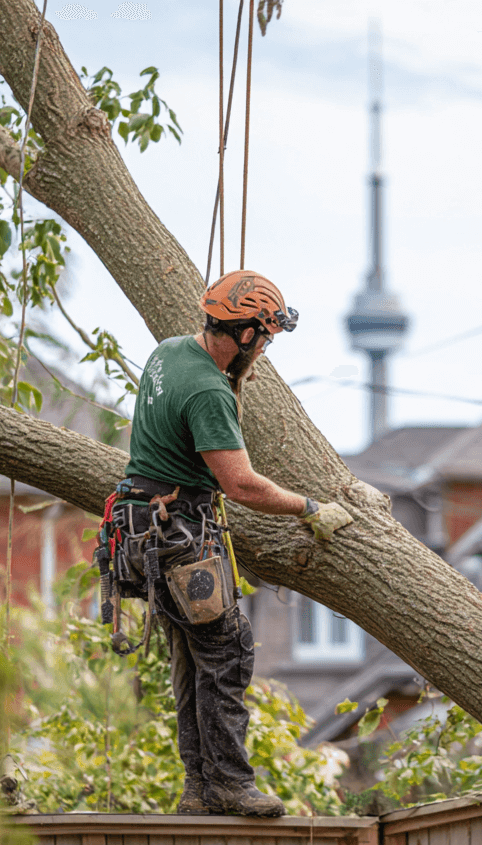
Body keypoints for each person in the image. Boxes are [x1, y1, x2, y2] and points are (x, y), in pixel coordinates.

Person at [107, 271, 352, 816]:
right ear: (244, 334)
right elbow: (240, 484)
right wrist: (308, 507)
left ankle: (197, 788)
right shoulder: (208, 390)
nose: (265, 348)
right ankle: (230, 785)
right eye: (264, 337)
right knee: (227, 650)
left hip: (143, 529)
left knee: (193, 661)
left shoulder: (170, 353)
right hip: (179, 536)